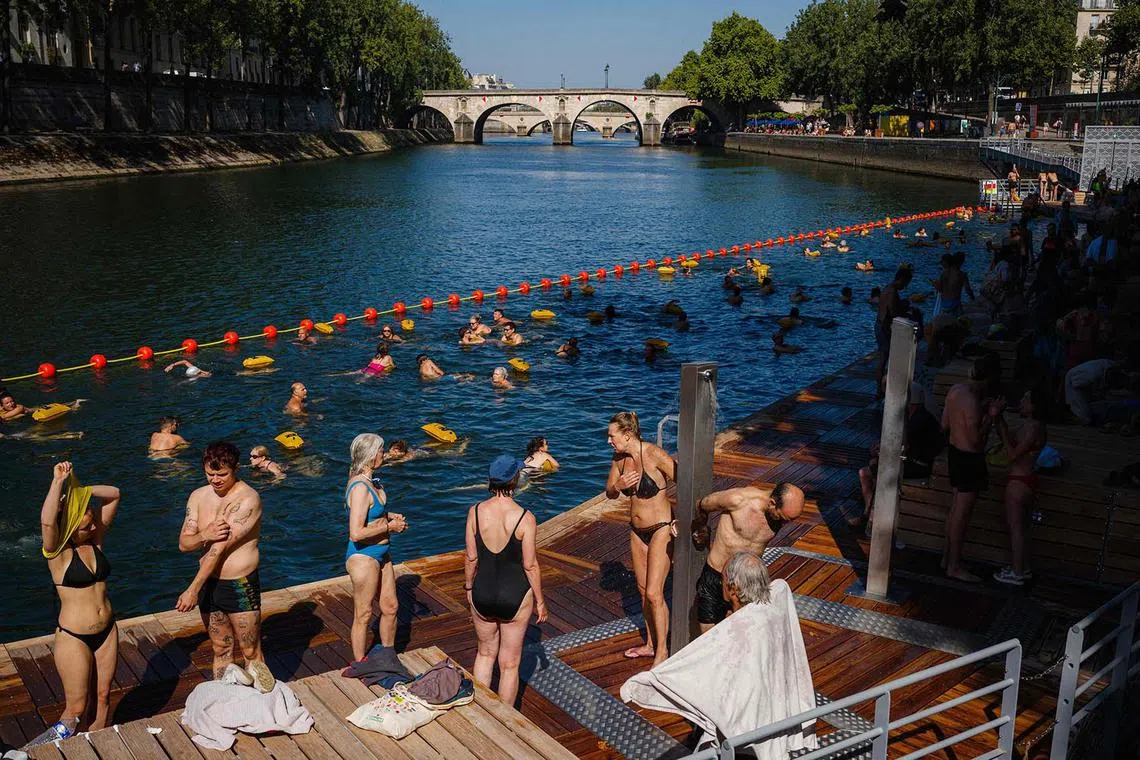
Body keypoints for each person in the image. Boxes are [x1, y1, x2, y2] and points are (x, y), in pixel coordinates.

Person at [176, 441, 273, 690]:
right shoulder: (198, 496)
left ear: (236, 469)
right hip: (210, 583)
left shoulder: (247, 499)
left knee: (250, 650)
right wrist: (204, 534)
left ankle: (263, 705)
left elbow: (219, 549)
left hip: (239, 584)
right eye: (210, 474)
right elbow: (185, 544)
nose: (216, 480)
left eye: (222, 474)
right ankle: (223, 701)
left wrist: (192, 589)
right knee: (221, 648)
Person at [41, 462, 121, 735]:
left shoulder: (95, 539)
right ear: (71, 524)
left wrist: (81, 492)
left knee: (103, 698)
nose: (93, 520)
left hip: (108, 631)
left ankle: (97, 743)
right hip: (74, 636)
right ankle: (49, 748)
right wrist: (58, 483)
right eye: (86, 515)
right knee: (76, 709)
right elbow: (48, 521)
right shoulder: (58, 553)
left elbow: (114, 494)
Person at [465, 455, 547, 706]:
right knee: (510, 664)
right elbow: (530, 565)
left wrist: (469, 588)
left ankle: (481, 711)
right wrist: (541, 602)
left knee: (485, 654)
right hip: (515, 594)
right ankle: (505, 722)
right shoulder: (525, 517)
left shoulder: (476, 512)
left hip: (482, 592)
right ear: (514, 480)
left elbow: (470, 558)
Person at [605, 412, 676, 665]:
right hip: (636, 531)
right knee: (643, 590)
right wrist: (619, 486)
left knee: (655, 594)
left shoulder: (654, 454)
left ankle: (662, 654)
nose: (609, 441)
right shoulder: (619, 460)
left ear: (627, 434)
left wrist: (682, 520)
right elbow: (609, 493)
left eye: (612, 436)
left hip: (661, 528)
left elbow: (687, 481)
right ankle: (649, 643)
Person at [690, 483, 805, 632]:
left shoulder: (779, 515)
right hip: (717, 575)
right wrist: (701, 528)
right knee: (707, 632)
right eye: (783, 518)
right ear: (772, 503)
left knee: (746, 632)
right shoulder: (737, 500)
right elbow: (702, 504)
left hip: (747, 581)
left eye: (789, 520)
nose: (784, 524)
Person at [344, 433, 407, 660]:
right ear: (371, 456)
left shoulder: (372, 481)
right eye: (380, 451)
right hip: (364, 555)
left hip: (382, 553)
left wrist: (389, 516)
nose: (384, 454)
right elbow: (356, 532)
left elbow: (372, 513)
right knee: (364, 613)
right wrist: (390, 527)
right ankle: (360, 662)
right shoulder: (360, 487)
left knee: (390, 607)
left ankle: (388, 655)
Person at [855, 383, 942, 526]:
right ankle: (870, 513)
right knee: (874, 465)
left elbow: (902, 448)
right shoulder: (923, 416)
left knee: (865, 472)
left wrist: (879, 451)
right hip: (920, 461)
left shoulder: (916, 421)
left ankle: (869, 515)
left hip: (918, 466)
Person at [941, 360, 997, 583]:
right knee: (961, 515)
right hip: (969, 459)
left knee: (955, 509)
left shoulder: (955, 390)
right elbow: (975, 442)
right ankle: (953, 566)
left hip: (954, 454)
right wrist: (990, 418)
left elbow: (945, 424)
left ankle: (947, 559)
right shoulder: (973, 401)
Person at [992, 389, 1047, 586]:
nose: (1022, 401)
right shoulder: (1030, 425)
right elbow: (1005, 436)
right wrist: (998, 417)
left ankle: (1017, 572)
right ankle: (1022, 567)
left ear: (1034, 405)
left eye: (1026, 398)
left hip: (1019, 480)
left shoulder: (1034, 428)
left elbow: (1013, 454)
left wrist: (1004, 433)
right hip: (1024, 479)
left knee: (1016, 529)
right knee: (1021, 528)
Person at [876, 265, 913, 390]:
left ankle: (880, 388)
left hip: (880, 325)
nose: (905, 286)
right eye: (906, 283)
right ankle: (880, 388)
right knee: (884, 357)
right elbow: (893, 312)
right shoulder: (892, 292)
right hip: (884, 327)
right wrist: (905, 309)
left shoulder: (888, 288)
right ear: (901, 280)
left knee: (884, 356)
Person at [1064, 357, 1121, 426]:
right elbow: (1077, 384)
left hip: (1083, 379)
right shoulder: (1092, 375)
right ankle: (1079, 419)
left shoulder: (1111, 365)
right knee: (1084, 415)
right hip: (1075, 382)